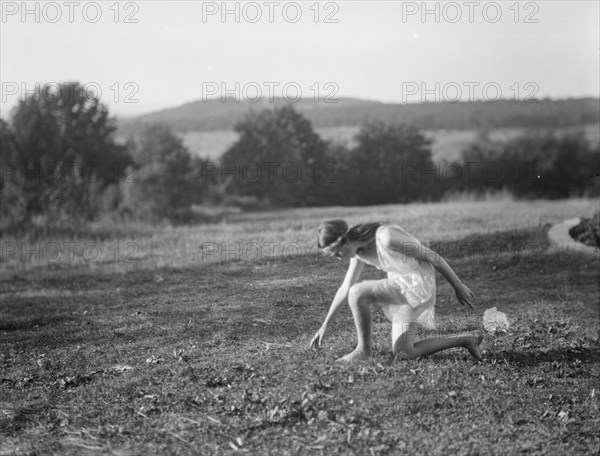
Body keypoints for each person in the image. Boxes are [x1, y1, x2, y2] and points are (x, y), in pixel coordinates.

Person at [310, 219, 483, 362]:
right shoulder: (357, 252)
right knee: (403, 353)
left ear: (345, 241)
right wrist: (324, 326)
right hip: (402, 288)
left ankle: (363, 351)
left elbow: (432, 256)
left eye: (337, 254)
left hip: (418, 287)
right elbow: (344, 288)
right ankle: (468, 339)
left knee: (358, 292)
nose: (339, 259)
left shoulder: (386, 237)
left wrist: (458, 286)